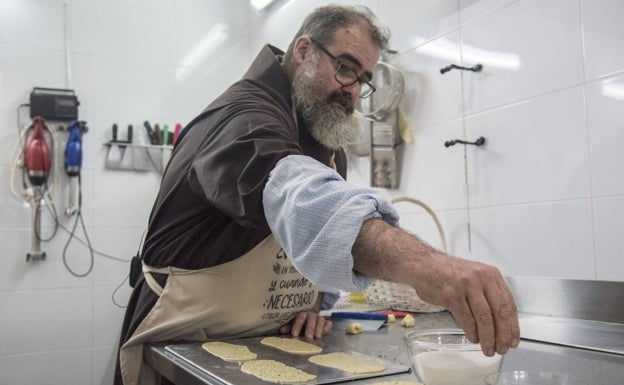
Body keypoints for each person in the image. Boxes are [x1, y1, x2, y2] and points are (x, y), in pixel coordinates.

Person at [115, 4, 520, 385]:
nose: (354, 92)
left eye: (363, 79)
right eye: (346, 68)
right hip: (186, 341)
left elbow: (311, 242)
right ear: (304, 50)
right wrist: (428, 265)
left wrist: (312, 302)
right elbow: (300, 196)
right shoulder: (242, 118)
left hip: (271, 343)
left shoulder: (325, 144)